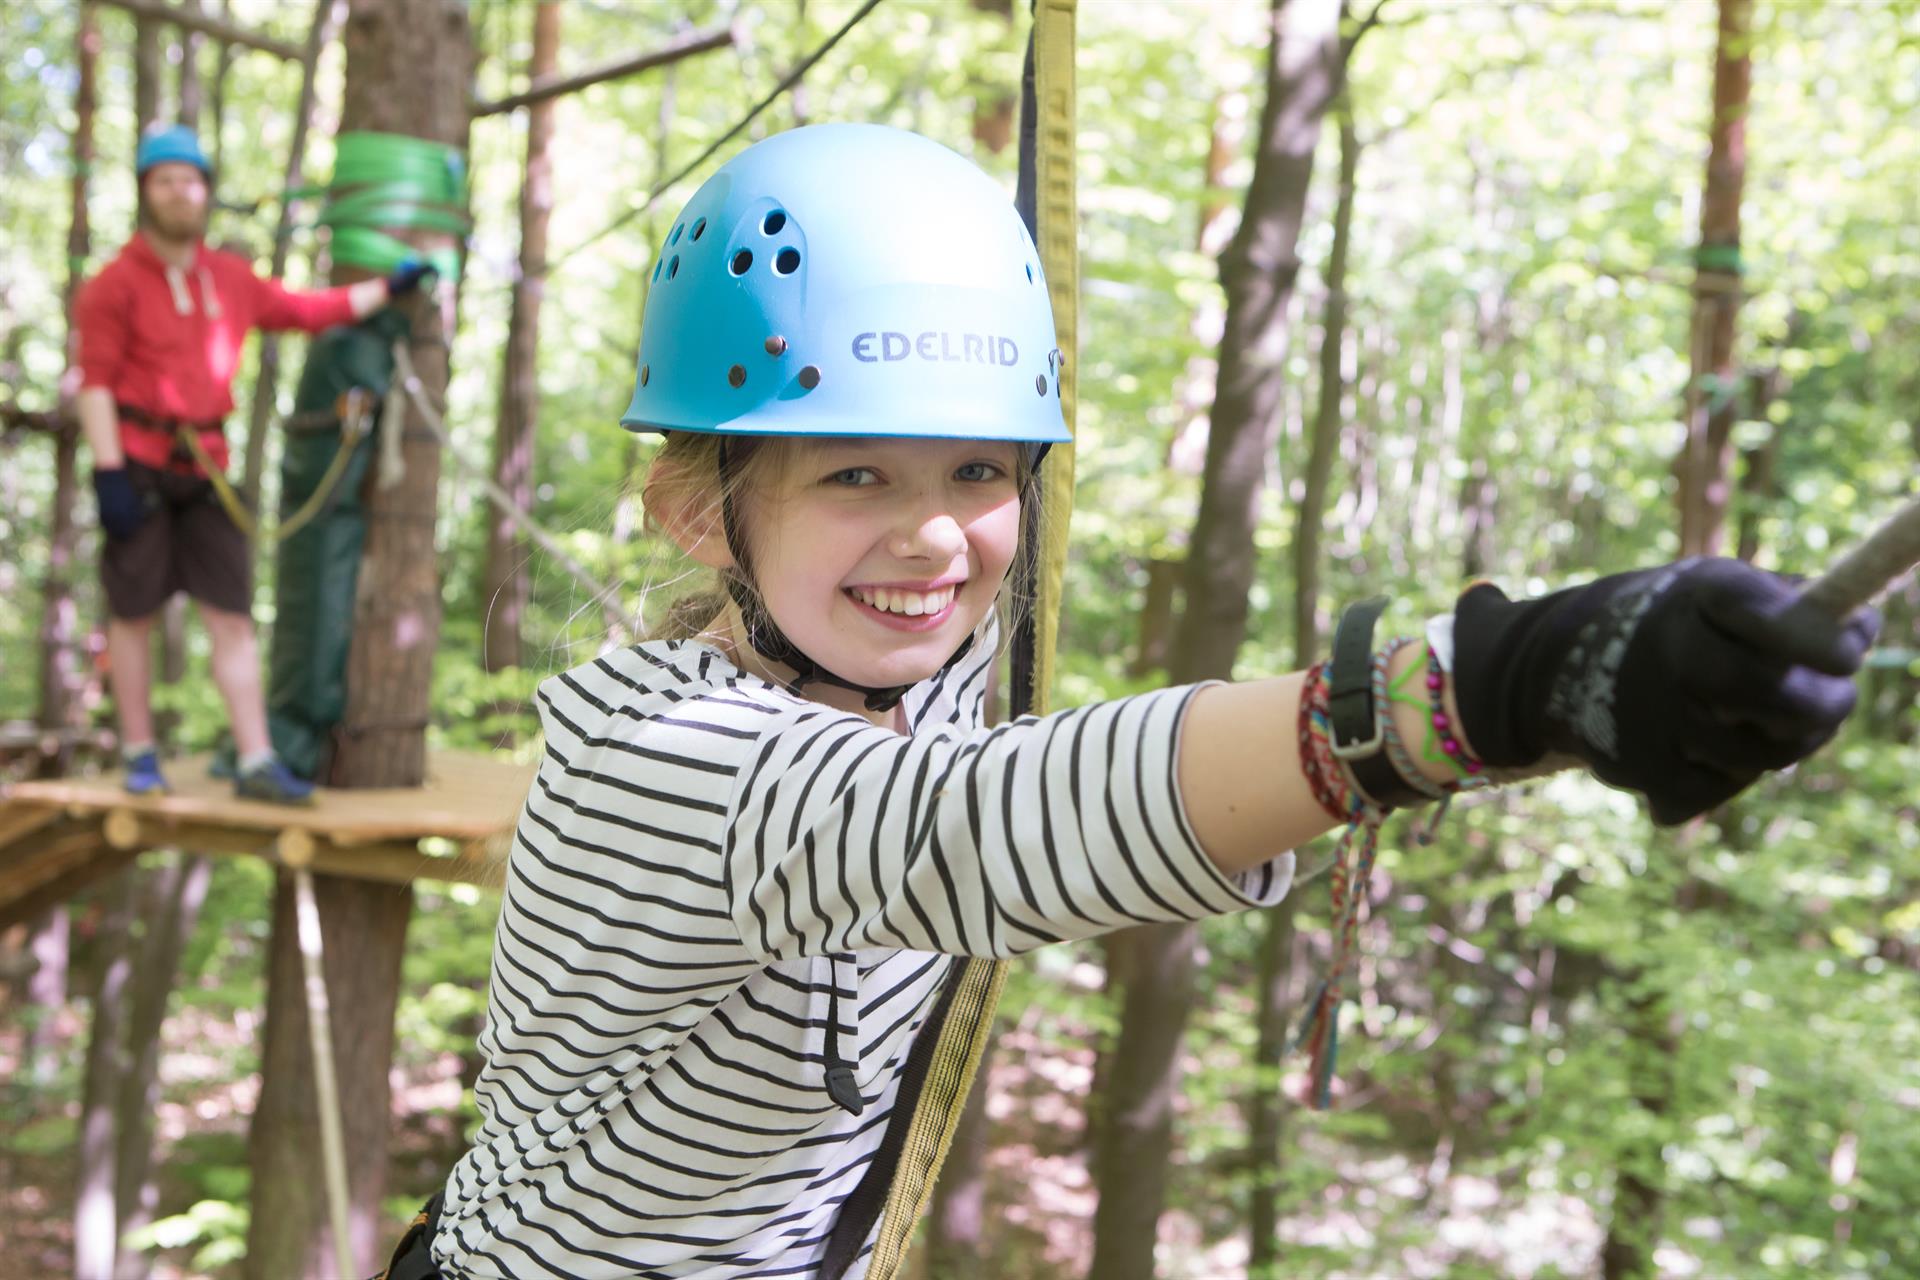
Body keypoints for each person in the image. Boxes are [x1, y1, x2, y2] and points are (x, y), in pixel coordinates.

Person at [378, 125, 1877, 1280]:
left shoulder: (900, 689)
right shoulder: (670, 764)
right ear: (700, 512)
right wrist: (1498, 682)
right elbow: (979, 827)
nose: (935, 535)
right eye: (855, 475)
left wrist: (1567, 704)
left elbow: (1079, 781)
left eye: (979, 472)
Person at [74, 124, 432, 803]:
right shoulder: (112, 286)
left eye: (191, 180)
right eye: (166, 181)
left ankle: (255, 759)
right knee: (133, 615)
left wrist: (390, 287)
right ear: (146, 193)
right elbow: (94, 381)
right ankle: (139, 751)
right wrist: (108, 472)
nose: (181, 192)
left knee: (231, 615)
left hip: (207, 468)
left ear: (206, 192)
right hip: (138, 463)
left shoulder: (228, 279)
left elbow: (307, 309)